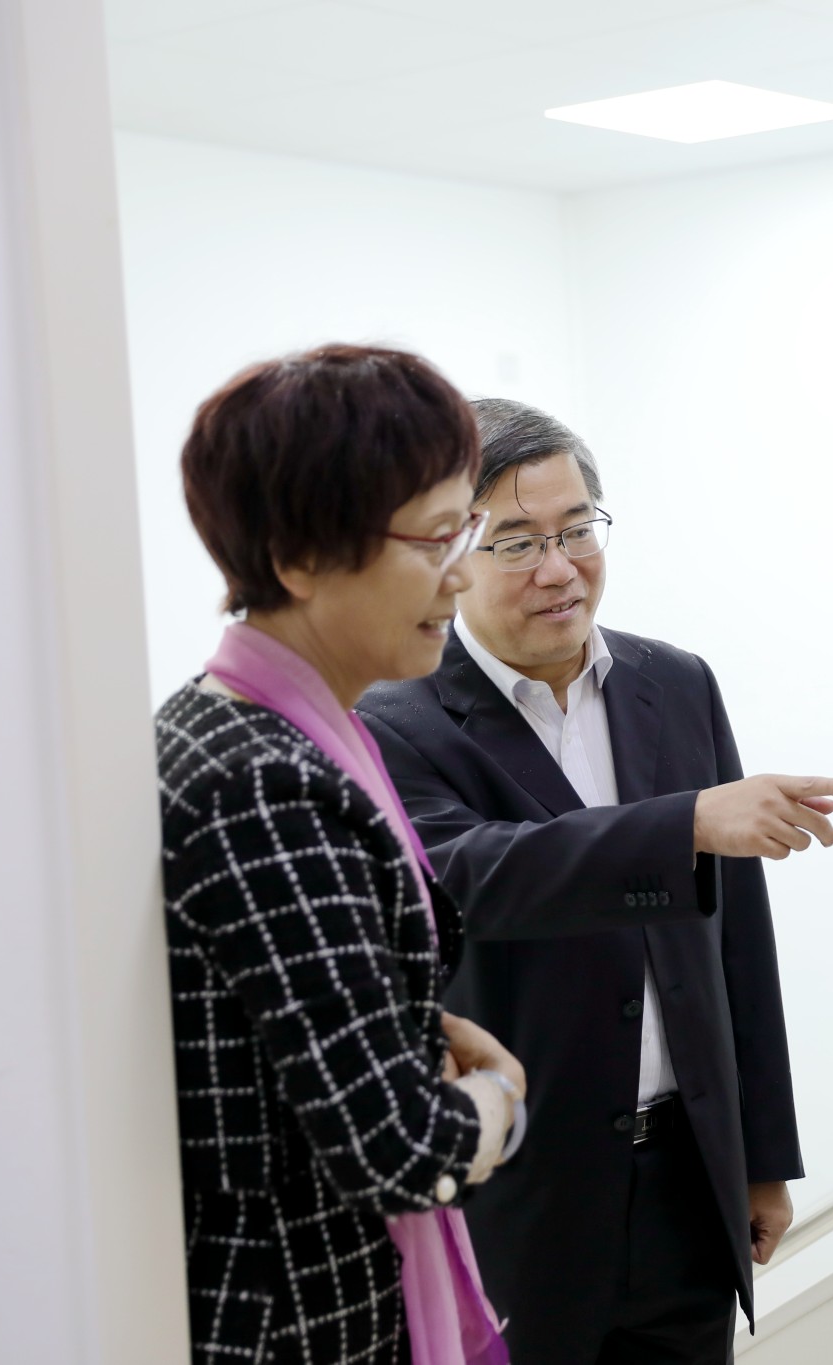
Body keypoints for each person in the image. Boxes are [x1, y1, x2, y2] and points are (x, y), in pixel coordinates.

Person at [359, 399, 833, 1364]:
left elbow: (737, 941)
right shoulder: (393, 718)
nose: (559, 567)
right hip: (516, 1199)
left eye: (578, 529)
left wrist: (762, 1156)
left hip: (685, 1185)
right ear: (451, 556)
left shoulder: (677, 682)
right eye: (517, 542)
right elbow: (472, 873)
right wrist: (686, 822)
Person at [156, 344, 548, 1363]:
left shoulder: (266, 731)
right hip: (303, 1324)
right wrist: (499, 1099)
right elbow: (399, 1147)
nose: (460, 573)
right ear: (298, 556)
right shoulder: (265, 782)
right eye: (434, 538)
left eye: (464, 531)